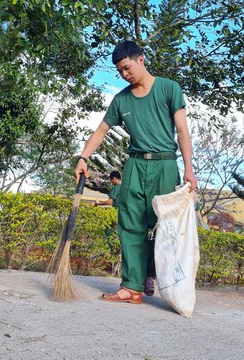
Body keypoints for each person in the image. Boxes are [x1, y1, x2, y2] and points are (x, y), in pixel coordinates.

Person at [74, 40, 197, 305]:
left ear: (141, 60)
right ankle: (131, 287)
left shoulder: (168, 88)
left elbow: (182, 131)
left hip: (165, 164)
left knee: (164, 225)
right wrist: (84, 157)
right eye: (119, 71)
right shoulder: (121, 100)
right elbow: (101, 131)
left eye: (127, 68)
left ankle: (154, 275)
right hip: (135, 164)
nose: (124, 74)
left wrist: (188, 169)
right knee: (129, 224)